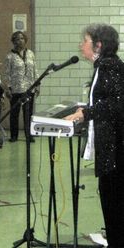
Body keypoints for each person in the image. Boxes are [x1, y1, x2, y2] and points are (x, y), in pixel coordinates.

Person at [65, 23, 124, 247]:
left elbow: (118, 104)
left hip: (116, 150)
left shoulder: (109, 67)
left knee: (114, 204)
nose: (81, 45)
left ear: (98, 45)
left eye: (85, 41)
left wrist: (85, 113)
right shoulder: (108, 66)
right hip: (112, 149)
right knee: (112, 203)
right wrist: (86, 107)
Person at [5, 31, 38, 143]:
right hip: (16, 89)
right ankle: (14, 136)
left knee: (28, 113)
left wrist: (37, 85)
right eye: (17, 39)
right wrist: (8, 88)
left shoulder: (31, 54)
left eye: (22, 38)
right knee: (14, 113)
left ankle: (29, 135)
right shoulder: (10, 56)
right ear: (13, 42)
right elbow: (7, 73)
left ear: (25, 40)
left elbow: (35, 70)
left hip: (29, 87)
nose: (20, 41)